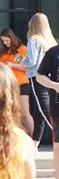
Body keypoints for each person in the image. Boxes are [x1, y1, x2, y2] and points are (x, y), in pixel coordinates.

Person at [24, 13, 56, 148]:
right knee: (45, 110)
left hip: (36, 78)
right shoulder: (51, 41)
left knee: (41, 111)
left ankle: (34, 145)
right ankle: (34, 144)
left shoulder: (33, 40)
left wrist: (20, 60)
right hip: (50, 78)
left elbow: (31, 61)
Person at [35, 38, 59, 179]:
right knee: (58, 146)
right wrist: (54, 85)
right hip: (57, 107)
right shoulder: (53, 52)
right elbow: (39, 76)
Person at [0, 28, 33, 136]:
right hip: (7, 85)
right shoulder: (4, 52)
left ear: (12, 38)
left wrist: (12, 65)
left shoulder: (21, 49)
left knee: (24, 112)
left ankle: (33, 139)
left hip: (21, 83)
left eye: (7, 40)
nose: (5, 43)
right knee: (11, 113)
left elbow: (28, 68)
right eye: (3, 41)